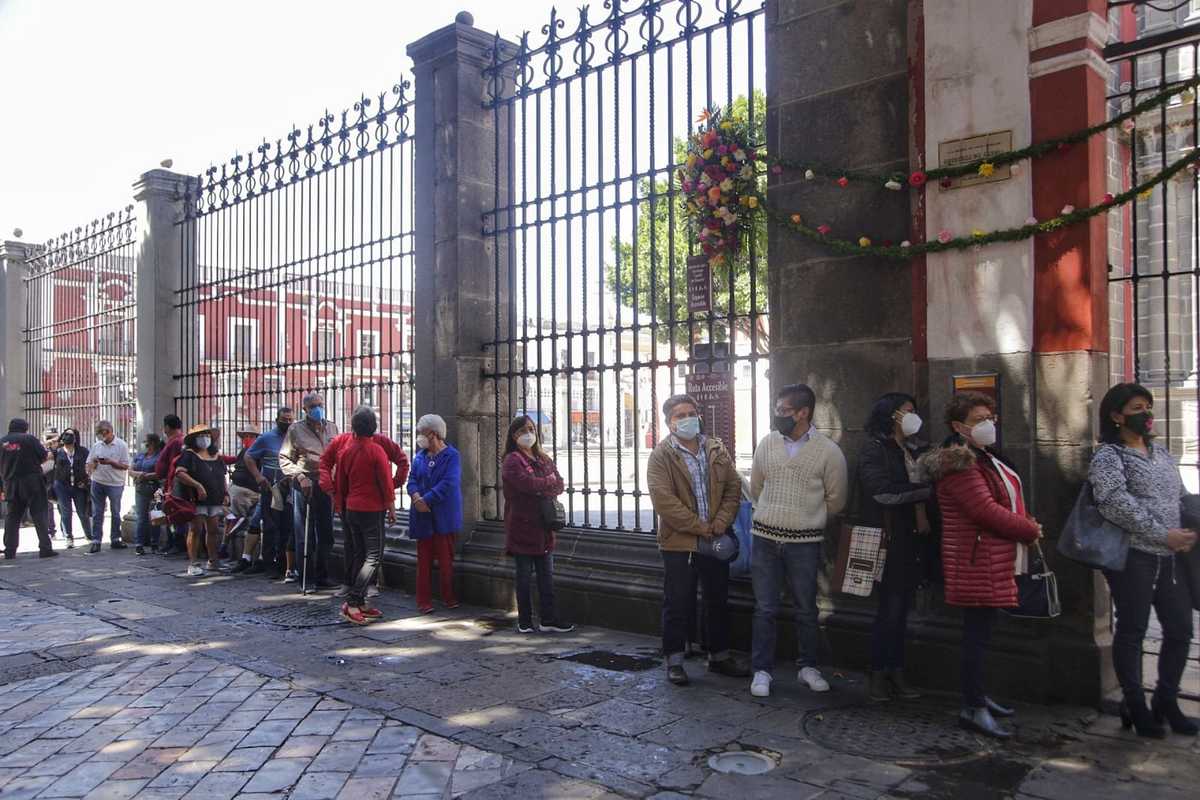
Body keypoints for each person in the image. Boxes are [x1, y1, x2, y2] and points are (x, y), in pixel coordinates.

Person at [923, 391, 1042, 739]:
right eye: (979, 419)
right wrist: (1030, 529)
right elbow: (984, 510)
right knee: (976, 636)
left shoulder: (984, 457)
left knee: (983, 634)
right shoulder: (959, 465)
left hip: (990, 557)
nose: (988, 424)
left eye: (991, 417)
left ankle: (978, 698)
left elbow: (1004, 500)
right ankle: (972, 706)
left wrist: (1024, 522)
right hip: (976, 560)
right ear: (959, 427)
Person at [1090, 382, 1198, 738]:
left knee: (1180, 629)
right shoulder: (1109, 456)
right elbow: (1114, 502)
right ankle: (1135, 704)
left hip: (1171, 558)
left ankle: (1166, 698)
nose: (1146, 414)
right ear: (1117, 415)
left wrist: (1184, 529)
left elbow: (1179, 495)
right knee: (1133, 631)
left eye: (1147, 406)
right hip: (1134, 557)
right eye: (1137, 407)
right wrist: (1160, 533)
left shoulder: (1162, 453)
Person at [748, 383, 848, 698]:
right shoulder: (767, 444)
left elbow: (837, 500)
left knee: (806, 607)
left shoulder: (828, 452)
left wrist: (807, 519)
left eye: (783, 411)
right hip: (764, 538)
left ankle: (808, 666)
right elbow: (756, 487)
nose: (778, 416)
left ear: (803, 413)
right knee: (765, 607)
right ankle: (761, 670)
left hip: (804, 542)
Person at [647, 394, 748, 686]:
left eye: (691, 412)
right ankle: (675, 660)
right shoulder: (662, 456)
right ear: (669, 422)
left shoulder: (715, 448)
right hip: (679, 542)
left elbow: (733, 486)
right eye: (680, 415)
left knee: (717, 598)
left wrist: (720, 522)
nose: (688, 418)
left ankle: (718, 656)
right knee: (678, 600)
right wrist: (700, 527)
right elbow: (664, 501)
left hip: (716, 536)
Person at [856, 393, 933, 702]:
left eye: (915, 410)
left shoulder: (916, 449)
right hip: (887, 539)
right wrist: (923, 491)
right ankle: (878, 672)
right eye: (907, 411)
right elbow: (881, 493)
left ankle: (896, 670)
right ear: (891, 416)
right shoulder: (875, 450)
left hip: (913, 538)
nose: (913, 416)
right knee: (889, 609)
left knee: (902, 610)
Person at [319, 406, 396, 624]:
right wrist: (390, 506)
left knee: (360, 554)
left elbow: (340, 481)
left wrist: (340, 504)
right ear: (374, 427)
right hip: (371, 509)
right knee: (374, 557)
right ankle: (353, 601)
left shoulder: (347, 450)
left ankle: (360, 601)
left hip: (351, 507)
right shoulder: (376, 451)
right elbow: (385, 483)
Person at [501, 415, 574, 634]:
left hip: (544, 525)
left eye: (532, 429)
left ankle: (548, 618)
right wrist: (546, 483)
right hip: (522, 524)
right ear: (514, 435)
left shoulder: (542, 457)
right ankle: (525, 620)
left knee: (546, 575)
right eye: (523, 430)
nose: (528, 434)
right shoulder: (512, 460)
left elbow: (559, 483)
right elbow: (526, 484)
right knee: (523, 576)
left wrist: (545, 485)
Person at [319, 419, 410, 593]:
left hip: (351, 503)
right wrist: (390, 496)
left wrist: (337, 493)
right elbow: (386, 478)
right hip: (367, 505)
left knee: (358, 547)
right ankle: (355, 587)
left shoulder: (350, 448)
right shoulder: (371, 448)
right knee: (366, 550)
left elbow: (401, 462)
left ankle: (362, 585)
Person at [280, 393, 339, 589]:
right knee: (304, 533)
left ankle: (323, 575)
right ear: (305, 409)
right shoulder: (295, 429)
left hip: (326, 483)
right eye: (313, 406)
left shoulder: (332, 427)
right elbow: (285, 459)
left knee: (326, 532)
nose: (317, 408)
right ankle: (307, 578)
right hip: (305, 481)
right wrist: (299, 476)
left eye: (320, 404)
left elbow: (339, 455)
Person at [407, 414, 463, 613]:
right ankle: (423, 600)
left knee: (446, 559)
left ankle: (448, 596)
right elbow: (412, 479)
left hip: (443, 515)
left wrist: (427, 499)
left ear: (434, 434)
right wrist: (415, 497)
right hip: (422, 516)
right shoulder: (419, 456)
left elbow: (449, 482)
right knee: (423, 560)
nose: (419, 437)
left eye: (422, 433)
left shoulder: (452, 456)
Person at [241, 408, 295, 577]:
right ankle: (268, 565)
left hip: (289, 489)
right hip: (270, 488)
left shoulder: (295, 438)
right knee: (270, 527)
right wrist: (258, 477)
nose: (287, 422)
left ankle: (282, 564)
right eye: (284, 419)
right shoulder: (266, 438)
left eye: (290, 420)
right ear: (276, 419)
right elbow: (249, 457)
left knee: (286, 527)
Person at [173, 424, 229, 577]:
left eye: (207, 435)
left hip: (215, 498)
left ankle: (213, 560)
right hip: (197, 499)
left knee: (213, 530)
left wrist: (225, 492)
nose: (205, 438)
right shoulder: (189, 455)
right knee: (195, 529)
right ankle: (193, 562)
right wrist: (197, 485)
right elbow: (180, 473)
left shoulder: (216, 455)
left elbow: (222, 476)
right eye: (201, 436)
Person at [1, 418, 57, 559]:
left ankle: (10, 550)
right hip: (32, 482)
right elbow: (44, 457)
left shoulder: (2, 442)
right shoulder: (29, 439)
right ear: (25, 428)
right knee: (39, 514)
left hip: (11, 483)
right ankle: (45, 548)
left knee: (12, 517)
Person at [85, 420, 130, 554]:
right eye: (100, 435)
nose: (102, 438)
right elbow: (89, 463)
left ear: (110, 431)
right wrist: (93, 465)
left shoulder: (121, 445)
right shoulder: (97, 445)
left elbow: (126, 465)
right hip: (98, 481)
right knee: (97, 512)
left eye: (104, 434)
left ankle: (115, 538)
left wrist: (111, 462)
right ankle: (96, 540)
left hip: (115, 483)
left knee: (115, 512)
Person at [226, 427, 263, 564]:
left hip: (251, 491)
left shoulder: (258, 451)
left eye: (249, 436)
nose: (246, 439)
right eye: (244, 437)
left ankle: (229, 546)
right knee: (233, 518)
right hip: (239, 489)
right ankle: (227, 545)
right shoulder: (244, 451)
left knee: (240, 519)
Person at [52, 427, 89, 549]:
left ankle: (88, 534)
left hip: (79, 485)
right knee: (66, 512)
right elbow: (44, 456)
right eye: (65, 434)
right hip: (62, 485)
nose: (67, 437)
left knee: (82, 511)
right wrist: (54, 441)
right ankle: (69, 537)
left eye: (70, 434)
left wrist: (85, 480)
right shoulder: (58, 451)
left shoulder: (83, 451)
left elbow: (90, 467)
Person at [155, 414, 187, 556]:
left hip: (173, 482)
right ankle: (173, 542)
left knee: (174, 513)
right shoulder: (178, 440)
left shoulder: (176, 442)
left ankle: (177, 543)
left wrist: (169, 483)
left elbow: (172, 463)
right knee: (171, 513)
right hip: (171, 480)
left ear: (168, 427)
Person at [129, 434, 164, 555]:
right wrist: (139, 474)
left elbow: (161, 472)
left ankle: (155, 543)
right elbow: (131, 470)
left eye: (146, 442)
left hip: (155, 489)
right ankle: (139, 543)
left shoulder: (159, 457)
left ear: (152, 443)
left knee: (156, 515)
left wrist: (147, 475)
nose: (144, 444)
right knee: (141, 517)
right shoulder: (140, 456)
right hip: (141, 489)